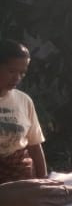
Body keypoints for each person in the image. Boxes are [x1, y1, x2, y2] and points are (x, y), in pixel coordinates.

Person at [0, 40, 47, 183]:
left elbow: (34, 145)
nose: (17, 78)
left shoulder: (24, 101)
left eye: (22, 73)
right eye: (12, 71)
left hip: (19, 177)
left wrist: (43, 180)